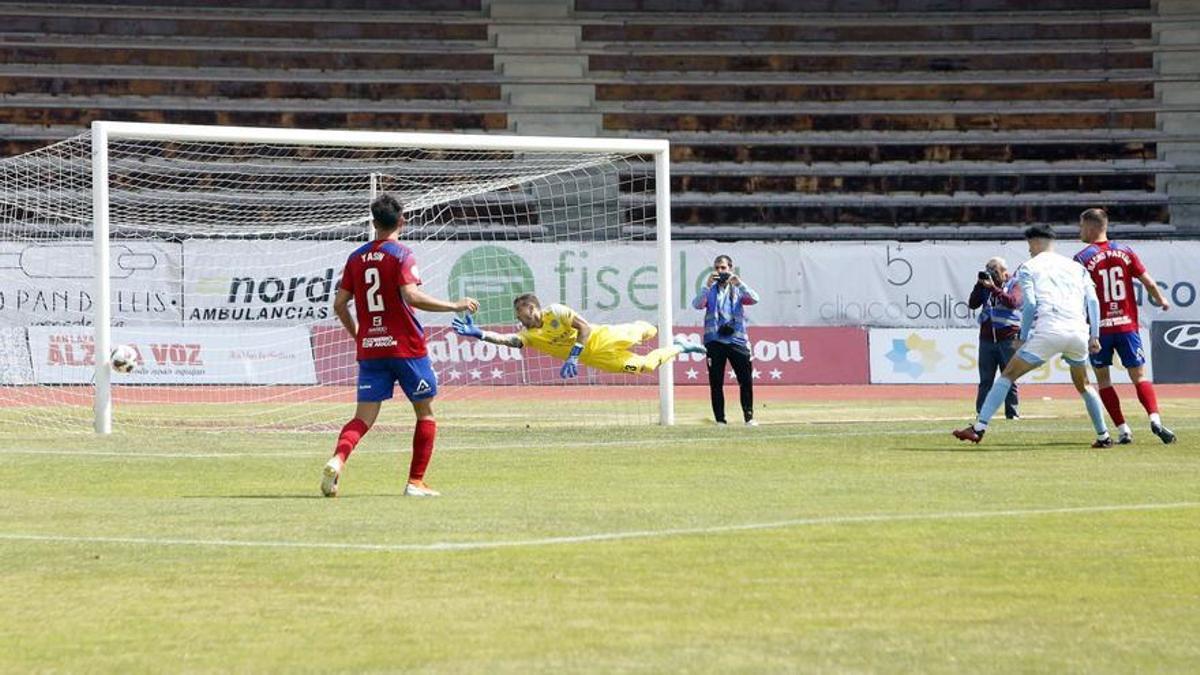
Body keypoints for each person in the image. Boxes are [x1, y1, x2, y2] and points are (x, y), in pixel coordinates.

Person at [321, 194, 478, 498]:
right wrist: (454, 305)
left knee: (362, 418)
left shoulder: (356, 257)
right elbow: (412, 296)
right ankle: (415, 482)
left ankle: (338, 460)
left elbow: (340, 304)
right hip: (406, 347)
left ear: (373, 223)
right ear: (402, 221)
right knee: (425, 413)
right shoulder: (402, 254)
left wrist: (359, 336)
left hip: (371, 350)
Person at [954, 224, 1113, 447]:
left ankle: (979, 428)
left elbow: (1029, 305)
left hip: (1049, 330)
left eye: (1029, 245)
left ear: (1037, 242)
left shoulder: (1029, 267)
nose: (1028, 250)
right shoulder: (1076, 267)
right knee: (1085, 385)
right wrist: (1094, 336)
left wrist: (1023, 336)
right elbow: (1094, 302)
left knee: (1007, 376)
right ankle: (1103, 436)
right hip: (1077, 332)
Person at [1074, 207, 1176, 444]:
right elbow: (1148, 282)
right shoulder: (1125, 251)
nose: (1080, 231)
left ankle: (1123, 429)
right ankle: (1155, 419)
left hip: (1100, 330)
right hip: (1127, 325)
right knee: (1139, 377)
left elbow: (1077, 294)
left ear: (1091, 227)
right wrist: (1162, 299)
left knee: (1104, 381)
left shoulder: (1082, 258)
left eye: (1081, 226)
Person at [451, 293, 704, 377]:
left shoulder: (556, 312)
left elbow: (583, 328)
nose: (518, 318)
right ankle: (680, 346)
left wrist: (572, 356)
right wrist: (480, 334)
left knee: (649, 330)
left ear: (532, 307)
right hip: (597, 359)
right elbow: (511, 341)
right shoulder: (528, 334)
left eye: (520, 312)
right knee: (647, 367)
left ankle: (642, 327)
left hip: (602, 338)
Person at [692, 254, 760, 427]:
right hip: (715, 341)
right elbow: (697, 304)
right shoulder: (710, 290)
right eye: (717, 268)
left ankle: (749, 417)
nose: (720, 271)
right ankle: (720, 420)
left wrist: (739, 282)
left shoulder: (738, 289)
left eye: (723, 268)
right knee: (716, 383)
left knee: (745, 380)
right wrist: (706, 285)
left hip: (737, 341)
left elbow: (754, 299)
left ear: (730, 269)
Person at [967, 256, 1022, 420]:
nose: (992, 275)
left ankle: (1012, 414)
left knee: (1010, 377)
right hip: (987, 339)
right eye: (989, 270)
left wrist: (993, 289)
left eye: (995, 271)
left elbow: (1013, 302)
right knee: (985, 380)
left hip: (1008, 338)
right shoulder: (985, 285)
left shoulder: (1015, 284)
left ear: (1005, 272)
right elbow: (972, 304)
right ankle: (981, 414)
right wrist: (979, 285)